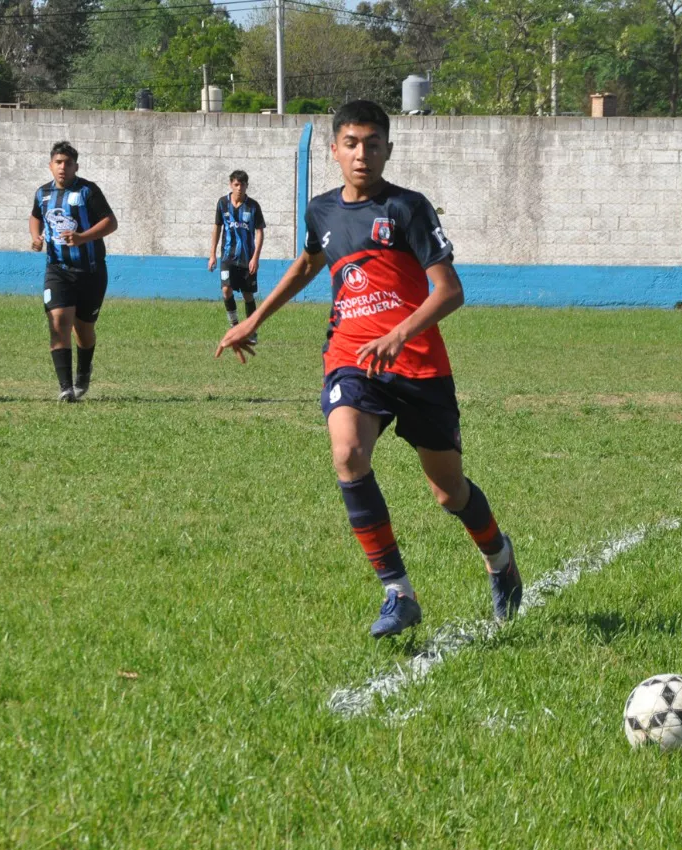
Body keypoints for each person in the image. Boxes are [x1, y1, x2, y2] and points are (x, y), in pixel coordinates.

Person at [216, 100, 521, 639]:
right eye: (352, 144)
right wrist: (255, 318)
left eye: (373, 144)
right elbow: (310, 262)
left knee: (448, 493)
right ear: (334, 149)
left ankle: (499, 558)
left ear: (388, 150)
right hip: (352, 358)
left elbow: (450, 291)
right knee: (348, 452)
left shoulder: (409, 208)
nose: (362, 154)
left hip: (419, 365)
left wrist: (400, 332)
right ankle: (398, 592)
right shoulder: (321, 211)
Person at [29, 141, 117, 402]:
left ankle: (83, 374)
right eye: (58, 162)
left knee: (84, 331)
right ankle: (66, 388)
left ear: (76, 166)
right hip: (57, 270)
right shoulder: (42, 194)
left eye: (68, 163)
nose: (63, 167)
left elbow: (110, 222)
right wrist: (36, 238)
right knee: (58, 323)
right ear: (50, 165)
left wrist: (82, 238)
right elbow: (35, 216)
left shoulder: (88, 191)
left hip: (90, 272)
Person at [208, 170, 265, 343]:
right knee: (226, 289)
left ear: (247, 186)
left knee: (248, 295)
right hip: (228, 257)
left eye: (243, 184)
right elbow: (217, 228)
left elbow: (259, 231)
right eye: (236, 184)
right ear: (231, 184)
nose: (239, 188)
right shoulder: (222, 204)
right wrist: (212, 254)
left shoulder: (253, 206)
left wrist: (256, 257)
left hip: (247, 259)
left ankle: (251, 331)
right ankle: (234, 326)